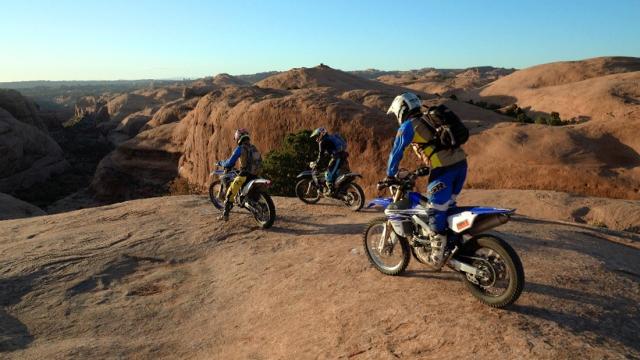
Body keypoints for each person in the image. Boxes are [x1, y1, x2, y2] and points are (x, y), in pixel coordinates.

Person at [385, 92, 468, 268]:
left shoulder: (409, 126)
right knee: (448, 207)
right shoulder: (430, 119)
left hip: (444, 171)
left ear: (401, 110)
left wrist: (390, 174)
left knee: (434, 210)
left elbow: (396, 151)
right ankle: (454, 243)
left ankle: (436, 256)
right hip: (461, 165)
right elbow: (436, 147)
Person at [217, 128, 262, 221]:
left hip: (245, 175)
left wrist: (221, 163)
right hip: (256, 175)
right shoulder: (253, 147)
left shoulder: (240, 148)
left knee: (230, 192)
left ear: (238, 138)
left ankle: (225, 213)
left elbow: (230, 162)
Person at [310, 127, 349, 195]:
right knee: (336, 174)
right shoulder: (331, 137)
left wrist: (316, 163)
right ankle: (340, 190)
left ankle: (331, 191)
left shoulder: (322, 142)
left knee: (328, 175)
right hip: (343, 156)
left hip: (337, 158)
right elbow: (330, 149)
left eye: (317, 136)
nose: (316, 138)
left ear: (321, 134)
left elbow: (320, 155)